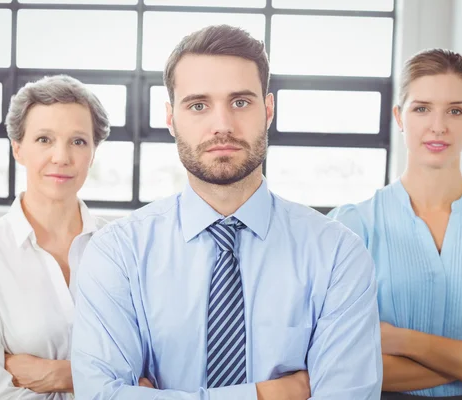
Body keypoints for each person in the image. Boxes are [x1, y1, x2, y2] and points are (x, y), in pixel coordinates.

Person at [70, 24, 382, 400]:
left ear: (267, 110)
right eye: (198, 105)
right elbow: (100, 395)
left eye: (240, 102)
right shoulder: (116, 253)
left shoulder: (337, 255)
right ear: (171, 118)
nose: (222, 125)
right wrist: (269, 394)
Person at [329, 49, 462, 400]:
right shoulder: (352, 226)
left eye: (455, 110)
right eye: (421, 108)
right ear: (399, 116)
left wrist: (402, 340)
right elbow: (343, 366)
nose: (439, 126)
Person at [0, 75, 110, 400]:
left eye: (78, 141)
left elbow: (154, 374)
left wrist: (58, 375)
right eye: (44, 139)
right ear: (18, 149)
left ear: (93, 152)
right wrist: (108, 380)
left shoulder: (122, 246)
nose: (61, 156)